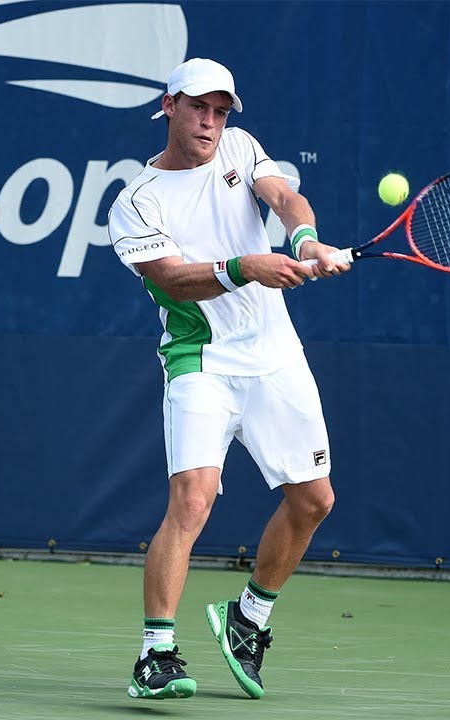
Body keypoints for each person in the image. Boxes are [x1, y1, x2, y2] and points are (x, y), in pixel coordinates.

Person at [107, 58, 349, 701]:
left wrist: (303, 240)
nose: (210, 122)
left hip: (274, 354)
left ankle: (248, 618)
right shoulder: (137, 202)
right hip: (201, 360)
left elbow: (285, 198)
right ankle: (154, 655)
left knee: (315, 500)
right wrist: (247, 265)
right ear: (169, 107)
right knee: (193, 500)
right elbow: (172, 279)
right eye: (198, 108)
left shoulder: (239, 148)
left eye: (220, 110)